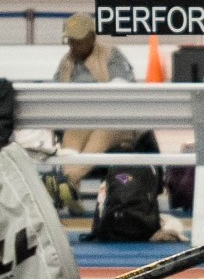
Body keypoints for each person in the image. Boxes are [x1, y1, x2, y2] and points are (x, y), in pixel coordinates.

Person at [51, 13, 141, 212]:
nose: (72, 44)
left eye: (78, 40)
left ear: (92, 37)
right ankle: (70, 189)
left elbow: (123, 87)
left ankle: (68, 180)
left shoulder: (112, 55)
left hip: (116, 122)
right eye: (70, 40)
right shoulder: (66, 63)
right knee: (73, 131)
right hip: (81, 121)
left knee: (103, 128)